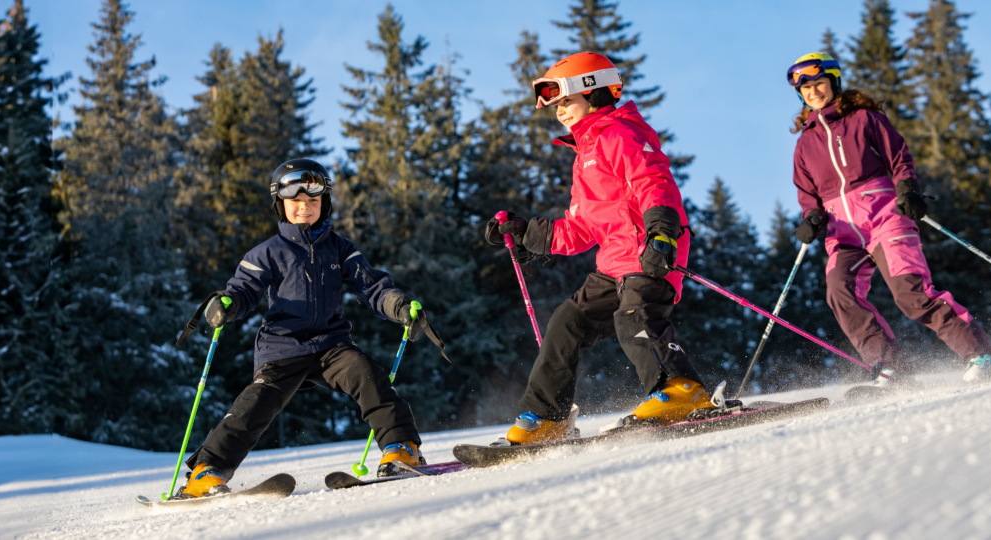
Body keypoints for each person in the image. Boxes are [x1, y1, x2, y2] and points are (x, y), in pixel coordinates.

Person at [484, 52, 715, 446]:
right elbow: (579, 228)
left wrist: (662, 233)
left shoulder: (620, 133)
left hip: (649, 253)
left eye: (565, 102)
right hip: (613, 264)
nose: (559, 112)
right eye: (555, 106)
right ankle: (546, 418)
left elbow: (653, 182)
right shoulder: (584, 154)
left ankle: (682, 389)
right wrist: (526, 233)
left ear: (592, 93)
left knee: (634, 314)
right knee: (567, 322)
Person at [179, 158, 432, 498]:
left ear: (323, 204)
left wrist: (399, 306)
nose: (304, 208)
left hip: (330, 345)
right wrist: (226, 303)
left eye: (313, 201)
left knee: (367, 374)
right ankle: (205, 470)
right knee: (256, 403)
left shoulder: (340, 249)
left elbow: (372, 287)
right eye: (296, 201)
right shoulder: (268, 252)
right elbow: (243, 289)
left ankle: (401, 448)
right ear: (281, 204)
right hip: (283, 346)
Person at [783, 52, 991, 385]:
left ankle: (980, 353)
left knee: (910, 294)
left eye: (819, 83)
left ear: (834, 82)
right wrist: (811, 217)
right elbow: (806, 192)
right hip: (843, 233)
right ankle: (891, 367)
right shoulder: (805, 143)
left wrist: (908, 190)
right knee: (839, 291)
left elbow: (898, 156)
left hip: (886, 218)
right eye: (807, 88)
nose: (814, 91)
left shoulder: (863, 119)